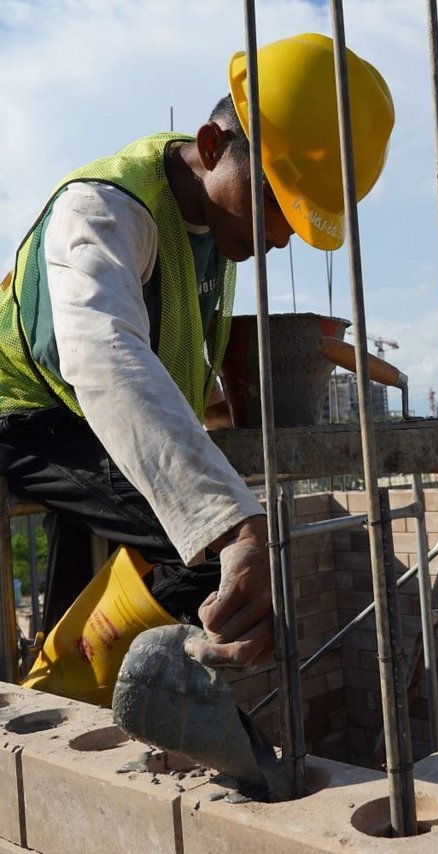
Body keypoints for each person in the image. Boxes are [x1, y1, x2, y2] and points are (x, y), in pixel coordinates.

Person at [0, 33, 394, 679]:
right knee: (210, 565)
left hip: (90, 422)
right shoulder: (101, 208)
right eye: (272, 201)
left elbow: (166, 351)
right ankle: (210, 747)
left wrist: (213, 412)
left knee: (101, 595)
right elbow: (102, 355)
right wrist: (234, 524)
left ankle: (73, 699)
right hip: (25, 415)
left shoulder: (213, 222)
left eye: (296, 218)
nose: (279, 234)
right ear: (211, 148)